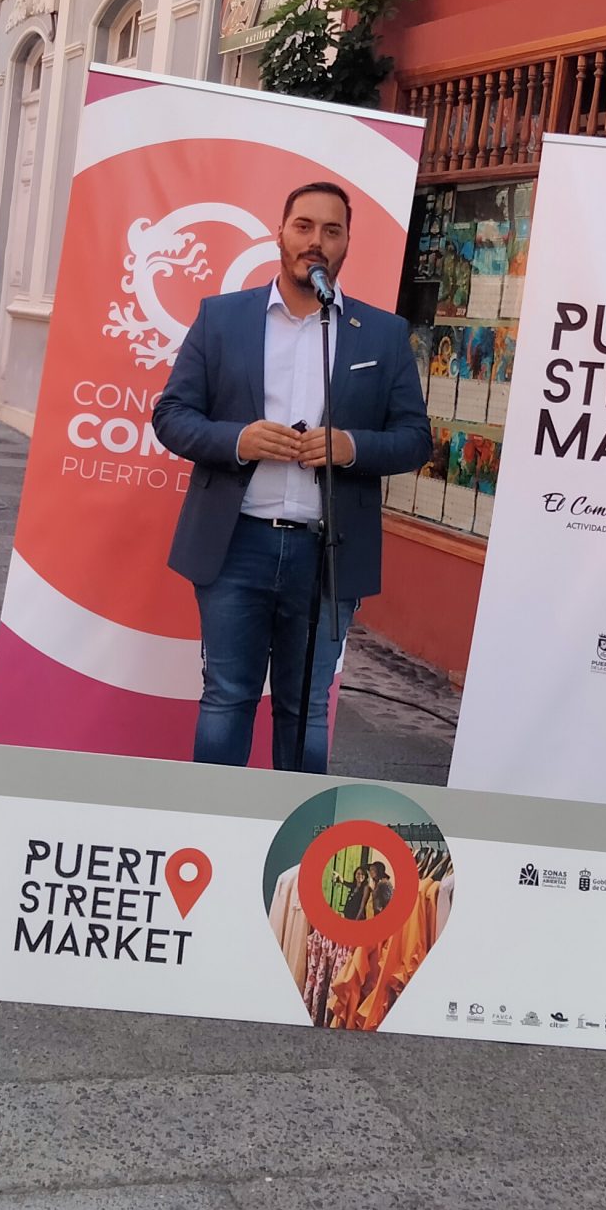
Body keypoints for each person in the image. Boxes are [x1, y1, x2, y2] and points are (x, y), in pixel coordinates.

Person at [151, 183, 429, 773]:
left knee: (306, 711)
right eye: (303, 226)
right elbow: (171, 416)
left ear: (347, 242)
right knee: (227, 698)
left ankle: (298, 829)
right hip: (235, 545)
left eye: (332, 230)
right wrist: (238, 440)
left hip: (328, 554)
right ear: (279, 233)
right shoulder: (222, 318)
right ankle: (211, 824)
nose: (316, 241)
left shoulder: (381, 334)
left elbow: (414, 438)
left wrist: (350, 447)